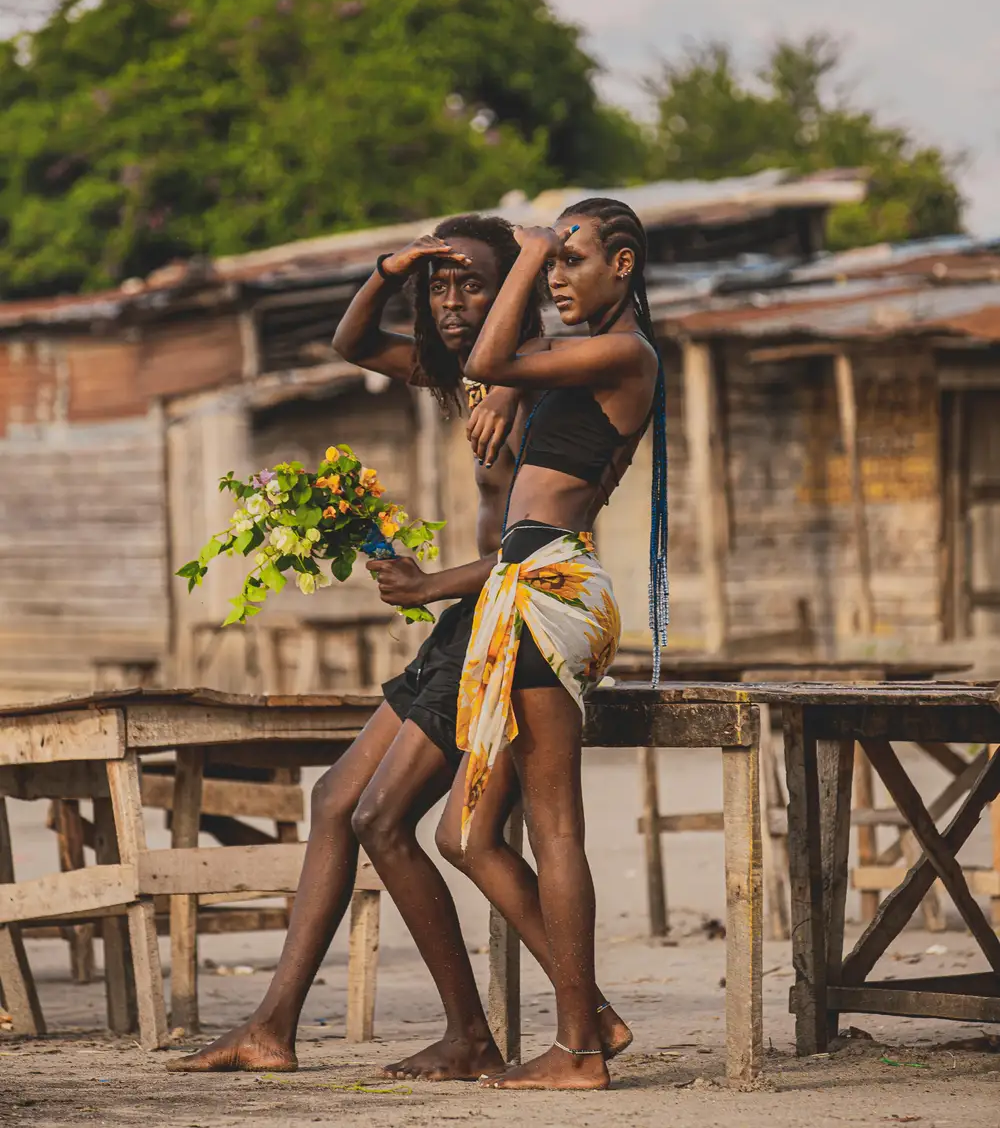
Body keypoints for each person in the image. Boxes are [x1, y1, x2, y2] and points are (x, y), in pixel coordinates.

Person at [168, 213, 630, 1081]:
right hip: (471, 614)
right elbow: (351, 341)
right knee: (337, 798)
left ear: (518, 289)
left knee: (385, 816)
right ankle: (279, 1025)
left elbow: (531, 545)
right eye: (441, 287)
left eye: (473, 285)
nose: (451, 302)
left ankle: (557, 1019)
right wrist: (392, 266)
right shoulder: (477, 371)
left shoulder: (538, 374)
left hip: (503, 605)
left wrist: (429, 586)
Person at [434, 197, 669, 1091]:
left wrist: (524, 254)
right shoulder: (578, 359)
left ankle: (577, 1050)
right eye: (553, 262)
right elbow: (492, 367)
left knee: (555, 824)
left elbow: (495, 355)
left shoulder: (627, 351)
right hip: (523, 584)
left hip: (549, 591)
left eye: (572, 261)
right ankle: (591, 1013)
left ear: (624, 265)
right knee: (466, 832)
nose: (558, 278)